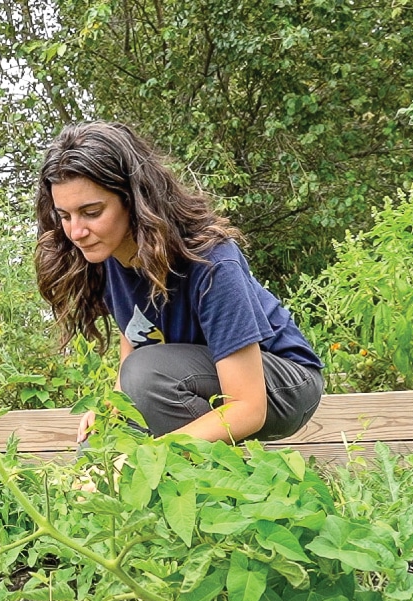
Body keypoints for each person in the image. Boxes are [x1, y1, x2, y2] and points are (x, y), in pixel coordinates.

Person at [34, 121, 323, 446]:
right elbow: (135, 333)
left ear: (132, 198)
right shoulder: (107, 256)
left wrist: (148, 458)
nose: (76, 232)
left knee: (147, 376)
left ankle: (222, 487)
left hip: (283, 385)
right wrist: (113, 407)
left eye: (91, 212)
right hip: (195, 374)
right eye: (65, 216)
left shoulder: (211, 260)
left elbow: (248, 408)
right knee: (99, 441)